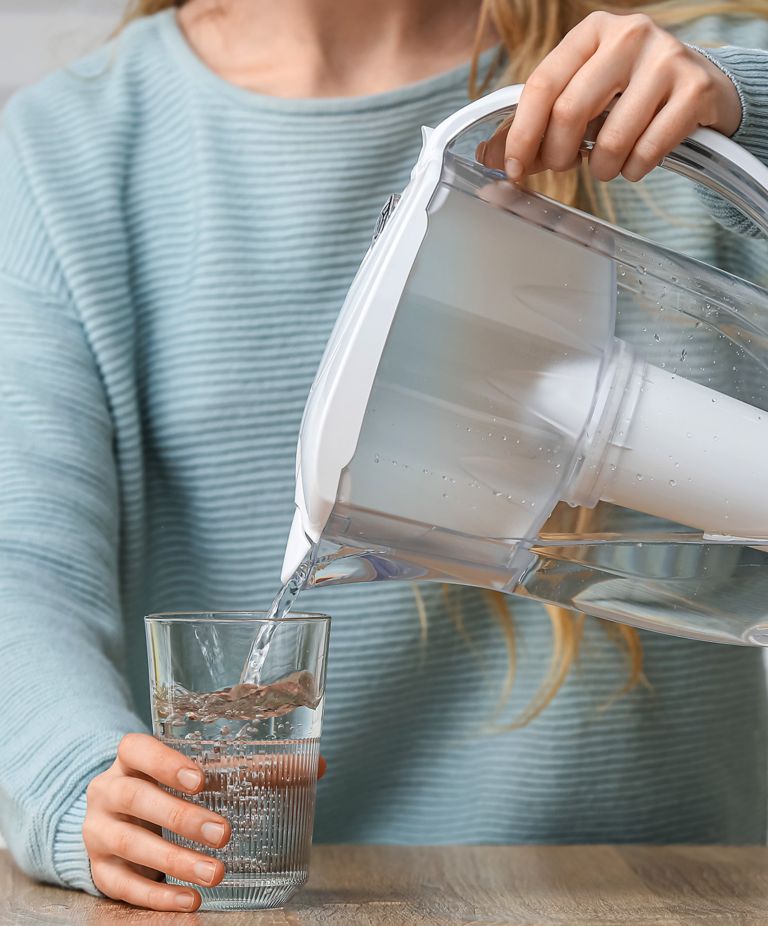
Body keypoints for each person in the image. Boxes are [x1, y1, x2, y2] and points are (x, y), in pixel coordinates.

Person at [0, 0, 766, 913]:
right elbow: (25, 561)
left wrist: (742, 97)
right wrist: (76, 772)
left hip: (676, 892)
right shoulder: (70, 147)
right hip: (285, 900)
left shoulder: (654, 81)